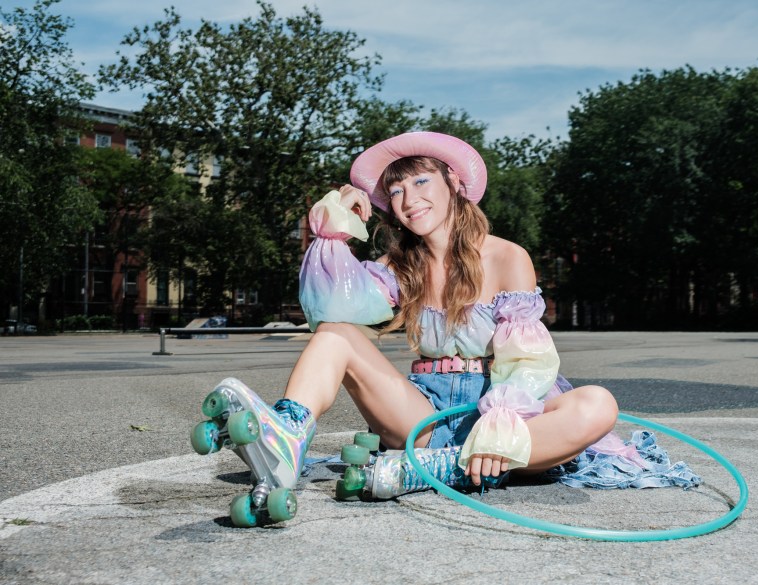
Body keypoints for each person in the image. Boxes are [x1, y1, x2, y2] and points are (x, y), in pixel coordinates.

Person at [192, 132, 692, 527]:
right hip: (422, 415)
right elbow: (326, 306)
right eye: (395, 189)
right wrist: (339, 223)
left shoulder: (506, 256)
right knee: (337, 334)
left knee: (597, 404)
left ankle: (436, 470)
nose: (407, 199)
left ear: (453, 181)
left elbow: (527, 363)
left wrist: (500, 427)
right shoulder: (394, 266)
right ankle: (288, 434)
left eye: (420, 183)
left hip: (496, 409)